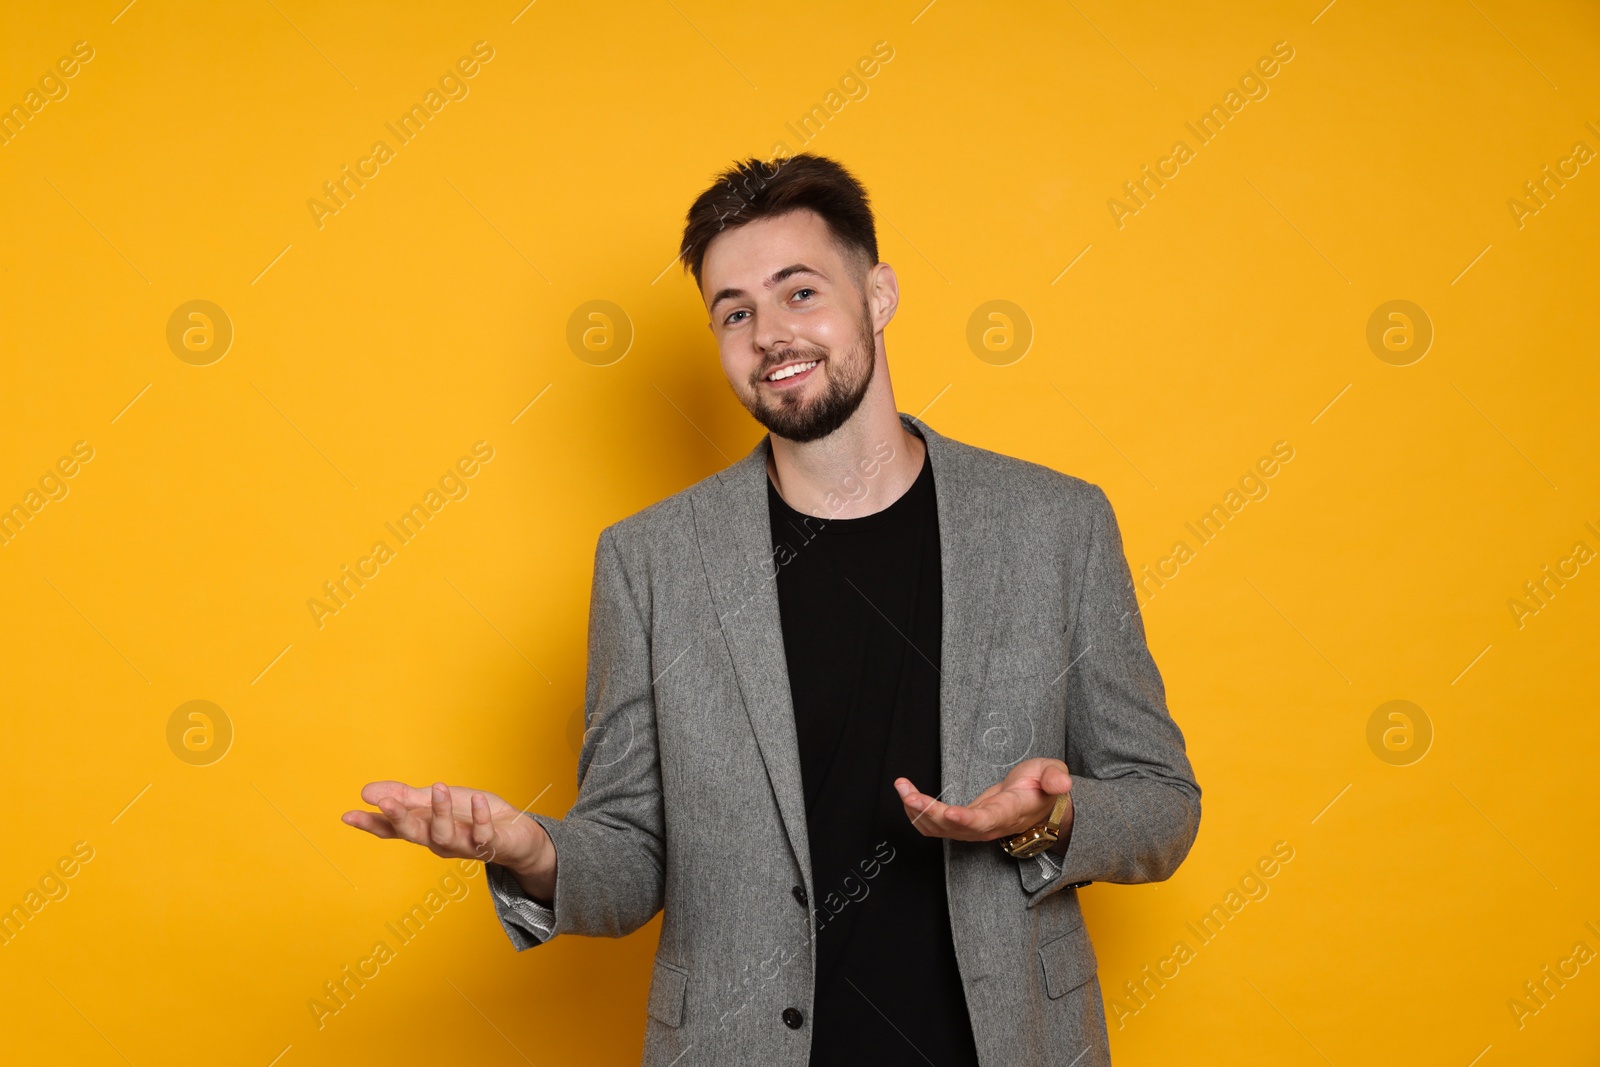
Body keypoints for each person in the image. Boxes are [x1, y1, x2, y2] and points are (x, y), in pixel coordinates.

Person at [343, 153, 1201, 1066]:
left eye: (800, 293)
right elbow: (631, 854)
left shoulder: (1056, 526)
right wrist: (533, 850)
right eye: (735, 311)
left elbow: (1163, 804)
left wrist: (1047, 820)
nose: (770, 335)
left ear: (878, 295)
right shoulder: (650, 562)